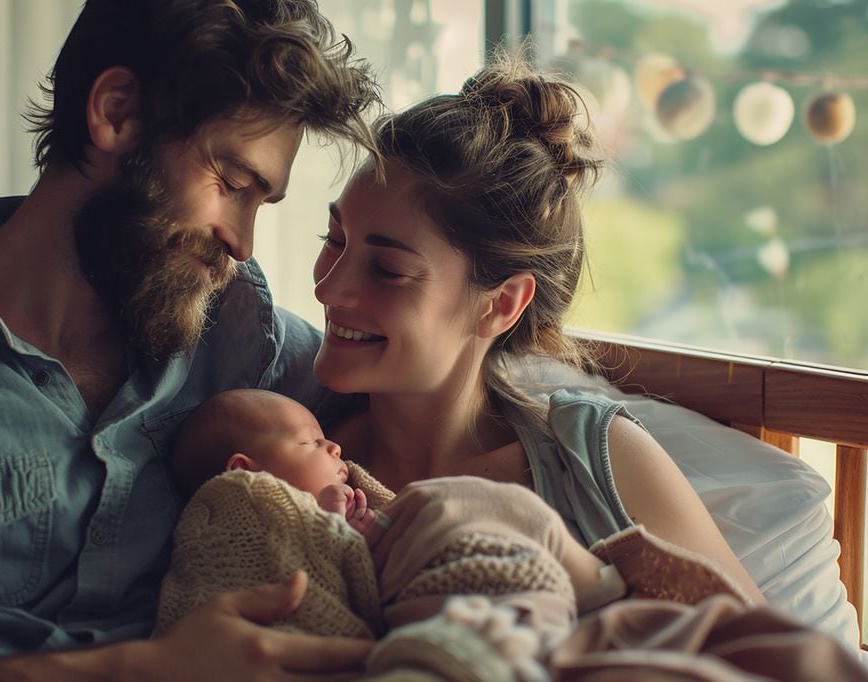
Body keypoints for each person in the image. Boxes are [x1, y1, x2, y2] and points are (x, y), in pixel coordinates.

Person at [0, 0, 382, 679]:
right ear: (117, 112)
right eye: (233, 184)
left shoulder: (244, 343)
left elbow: (454, 384)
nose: (241, 244)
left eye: (259, 202)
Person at [308, 49, 768, 607]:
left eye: (388, 269)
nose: (328, 289)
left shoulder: (596, 461)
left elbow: (763, 651)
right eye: (334, 240)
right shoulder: (295, 451)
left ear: (502, 304)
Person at [164, 387, 629, 610]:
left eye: (389, 269)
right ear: (245, 472)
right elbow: (259, 569)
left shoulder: (586, 440)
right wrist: (328, 529)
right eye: (310, 443)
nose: (334, 448)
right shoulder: (234, 512)